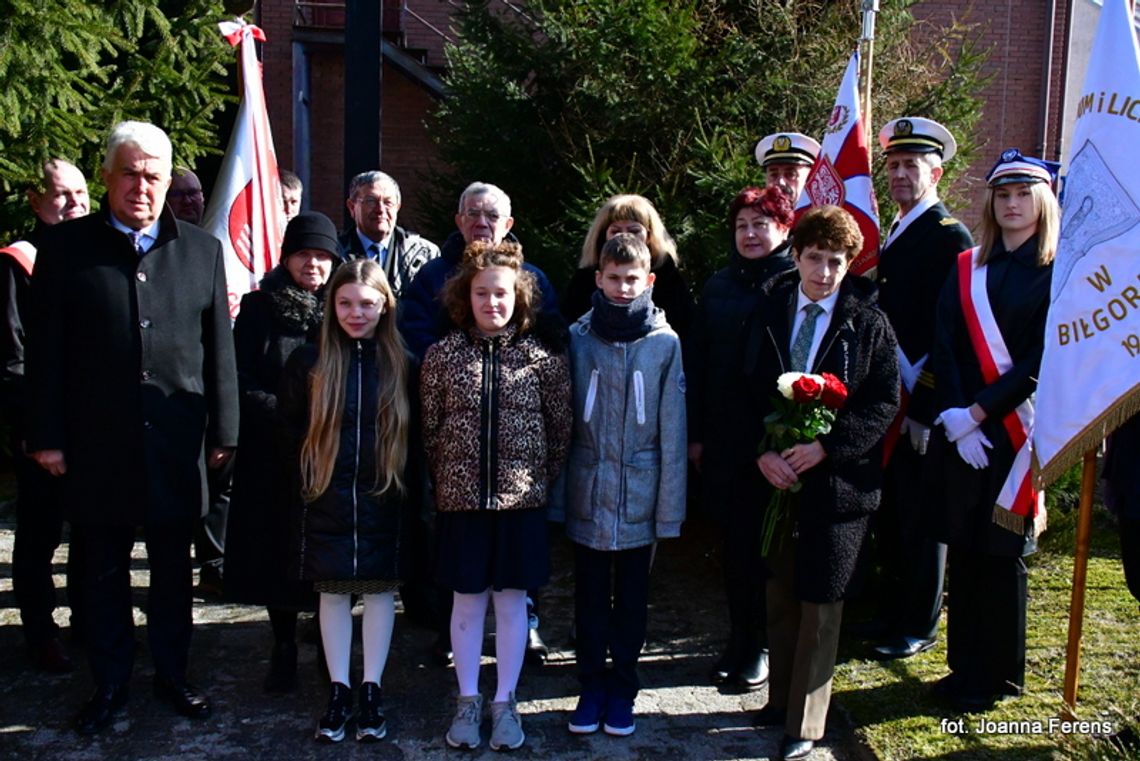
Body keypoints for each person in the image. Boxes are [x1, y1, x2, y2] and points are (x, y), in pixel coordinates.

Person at [25, 121, 239, 734]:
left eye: (153, 175)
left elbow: (217, 347)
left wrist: (225, 430)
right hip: (98, 446)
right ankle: (111, 682)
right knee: (102, 571)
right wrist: (46, 434)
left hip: (176, 442)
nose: (141, 186)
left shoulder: (201, 250)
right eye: (130, 173)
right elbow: (45, 352)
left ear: (168, 180)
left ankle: (173, 675)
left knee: (173, 572)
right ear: (107, 176)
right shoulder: (66, 250)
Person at [744, 205, 899, 761]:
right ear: (797, 254)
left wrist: (827, 448)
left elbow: (884, 400)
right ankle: (779, 700)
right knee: (781, 591)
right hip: (777, 478)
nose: (825, 273)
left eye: (837, 262)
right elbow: (741, 386)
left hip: (838, 484)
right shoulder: (769, 307)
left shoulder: (868, 320)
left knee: (823, 599)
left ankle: (806, 723)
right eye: (815, 259)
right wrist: (762, 454)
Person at [399, 180, 562, 666]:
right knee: (461, 560)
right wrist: (459, 366)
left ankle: (526, 628)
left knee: (516, 568)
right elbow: (415, 339)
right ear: (458, 220)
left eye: (492, 215)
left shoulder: (533, 278)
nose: (481, 222)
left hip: (520, 465)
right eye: (473, 213)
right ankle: (455, 633)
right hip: (459, 450)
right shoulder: (432, 277)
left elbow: (552, 353)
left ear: (508, 224)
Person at [420, 239, 571, 751]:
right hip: (462, 504)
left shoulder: (542, 360)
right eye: (482, 294)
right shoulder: (442, 356)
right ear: (467, 297)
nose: (492, 303)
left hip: (521, 503)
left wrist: (531, 484)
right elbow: (430, 428)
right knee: (466, 603)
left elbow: (560, 431)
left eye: (502, 294)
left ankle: (505, 699)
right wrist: (451, 480)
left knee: (511, 604)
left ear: (519, 297)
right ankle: (468, 699)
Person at [927, 149, 1060, 713]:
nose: (1010, 204)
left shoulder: (1057, 270)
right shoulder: (968, 266)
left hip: (1013, 433)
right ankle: (964, 668)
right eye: (1001, 194)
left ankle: (999, 675)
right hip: (964, 434)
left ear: (1042, 202)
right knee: (966, 547)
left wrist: (978, 413)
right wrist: (956, 418)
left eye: (1021, 194)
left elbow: (1040, 358)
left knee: (1003, 554)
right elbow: (946, 342)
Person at [278, 258, 418, 743]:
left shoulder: (403, 361)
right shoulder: (310, 361)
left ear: (385, 306)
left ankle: (372, 688)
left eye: (366, 304)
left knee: (380, 591)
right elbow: (291, 426)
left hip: (384, 494)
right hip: (326, 496)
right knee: (333, 592)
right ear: (331, 305)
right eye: (345, 303)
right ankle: (339, 690)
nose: (355, 313)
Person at [562, 233, 686, 737]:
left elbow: (673, 431)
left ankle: (623, 690)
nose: (621, 287)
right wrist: (557, 499)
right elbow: (564, 418)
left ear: (649, 282)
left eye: (631, 279)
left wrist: (669, 511)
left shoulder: (664, 343)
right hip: (588, 491)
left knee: (631, 604)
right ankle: (591, 687)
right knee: (589, 600)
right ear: (598, 278)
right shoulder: (578, 337)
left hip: (639, 493)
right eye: (612, 278)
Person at [869, 116, 975, 661]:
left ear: (936, 172)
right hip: (889, 394)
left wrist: (926, 406)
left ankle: (920, 623)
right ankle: (891, 612)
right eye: (893, 165)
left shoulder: (948, 234)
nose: (902, 175)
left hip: (921, 399)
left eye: (913, 165)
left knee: (921, 518)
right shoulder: (898, 227)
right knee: (892, 514)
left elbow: (950, 329)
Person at [223, 211, 340, 693]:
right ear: (287, 256)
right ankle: (283, 644)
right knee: (276, 555)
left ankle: (327, 642)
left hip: (329, 452)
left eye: (323, 256)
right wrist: (288, 416)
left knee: (324, 552)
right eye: (304, 254)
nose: (313, 264)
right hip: (273, 452)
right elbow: (240, 378)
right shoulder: (259, 308)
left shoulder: (344, 307)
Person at [687, 186, 795, 691]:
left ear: (784, 228)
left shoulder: (797, 284)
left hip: (777, 441)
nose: (750, 234)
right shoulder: (718, 286)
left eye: (761, 223)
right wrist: (697, 436)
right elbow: (701, 365)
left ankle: (765, 647)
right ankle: (739, 640)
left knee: (768, 551)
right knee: (734, 550)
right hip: (727, 441)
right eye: (742, 225)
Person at [2, 158, 89, 673]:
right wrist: (41, 434)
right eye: (61, 195)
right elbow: (11, 361)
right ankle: (40, 632)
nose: (75, 204)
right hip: (44, 432)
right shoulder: (18, 264)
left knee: (92, 529)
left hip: (92, 427)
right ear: (36, 202)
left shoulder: (92, 254)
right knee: (38, 537)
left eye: (81, 193)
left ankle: (87, 620)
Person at [562, 194, 694, 337]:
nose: (625, 237)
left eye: (634, 231)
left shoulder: (669, 280)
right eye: (616, 231)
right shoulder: (584, 280)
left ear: (649, 236)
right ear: (603, 235)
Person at [337, 170, 440, 299]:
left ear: (397, 207)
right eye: (371, 201)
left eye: (388, 202)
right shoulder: (335, 252)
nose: (380, 210)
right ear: (352, 207)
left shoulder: (424, 253)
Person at [754, 132, 821, 202]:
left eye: (790, 174)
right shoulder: (750, 212)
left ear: (810, 178)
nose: (781, 182)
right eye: (773, 175)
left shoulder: (824, 212)